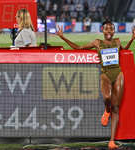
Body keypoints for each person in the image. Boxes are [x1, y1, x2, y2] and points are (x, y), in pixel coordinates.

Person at [56, 20, 135, 149]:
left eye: (111, 29)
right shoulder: (97, 42)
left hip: (118, 74)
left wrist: (132, 39)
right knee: (107, 98)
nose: (109, 31)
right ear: (102, 31)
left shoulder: (118, 41)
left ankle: (112, 141)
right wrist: (63, 37)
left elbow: (124, 50)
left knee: (116, 107)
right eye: (106, 29)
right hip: (105, 74)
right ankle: (106, 110)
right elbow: (78, 48)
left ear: (114, 31)